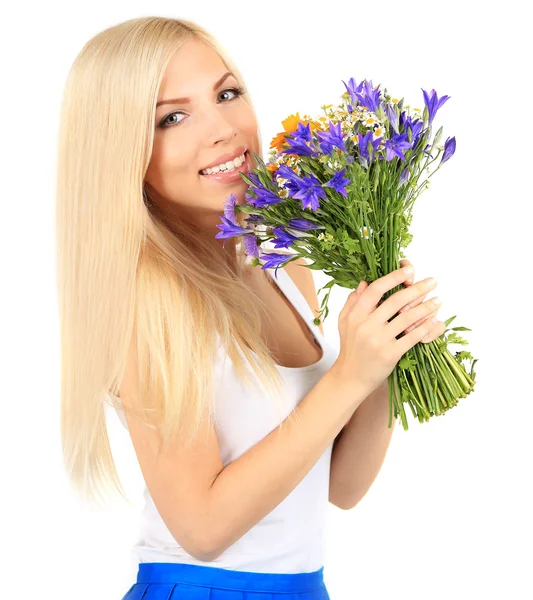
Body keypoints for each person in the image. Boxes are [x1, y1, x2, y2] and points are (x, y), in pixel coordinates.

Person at [55, 15, 445, 600]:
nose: (223, 128)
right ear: (122, 152)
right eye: (173, 116)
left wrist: (385, 352)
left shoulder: (283, 263)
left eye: (227, 92)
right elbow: (202, 529)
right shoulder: (149, 302)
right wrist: (347, 377)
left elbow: (341, 485)